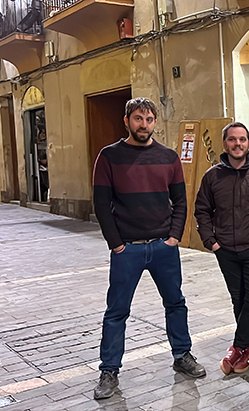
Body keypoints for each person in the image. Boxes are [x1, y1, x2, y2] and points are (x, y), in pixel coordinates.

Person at [91, 97, 205, 400]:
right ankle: (109, 370)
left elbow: (181, 201)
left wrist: (173, 237)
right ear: (126, 120)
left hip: (163, 247)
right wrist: (116, 244)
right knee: (117, 311)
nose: (144, 124)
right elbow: (102, 205)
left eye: (150, 119)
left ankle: (182, 356)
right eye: (139, 118)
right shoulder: (109, 157)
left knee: (176, 304)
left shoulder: (168, 157)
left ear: (155, 122)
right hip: (126, 249)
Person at [194, 121, 249, 374]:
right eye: (232, 139)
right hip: (226, 251)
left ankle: (238, 345)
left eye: (242, 139)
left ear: (248, 143)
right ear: (225, 144)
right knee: (239, 300)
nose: (237, 144)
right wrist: (211, 242)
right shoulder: (213, 176)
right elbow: (201, 210)